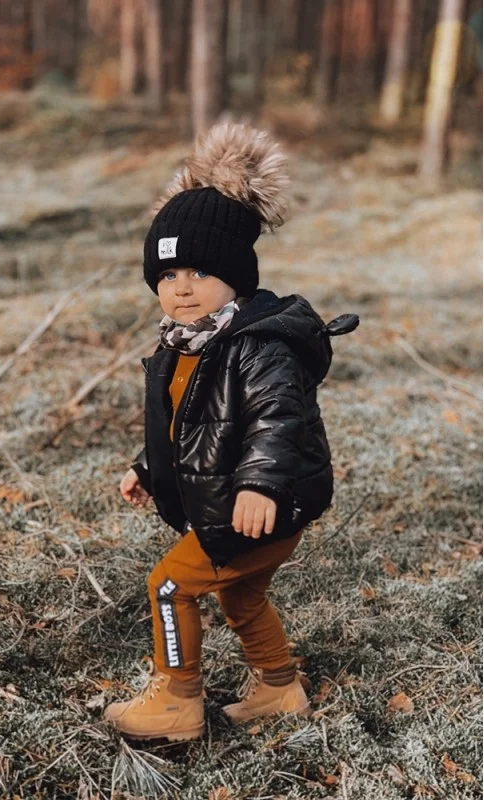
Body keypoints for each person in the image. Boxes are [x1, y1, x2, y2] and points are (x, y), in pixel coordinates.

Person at [104, 122, 359, 742]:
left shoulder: (257, 344)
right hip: (234, 500)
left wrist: (260, 485)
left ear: (234, 277)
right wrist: (147, 466)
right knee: (240, 598)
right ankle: (279, 688)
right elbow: (187, 423)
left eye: (196, 271)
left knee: (170, 584)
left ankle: (176, 699)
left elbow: (278, 417)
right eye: (167, 276)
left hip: (265, 501)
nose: (181, 287)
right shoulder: (181, 345)